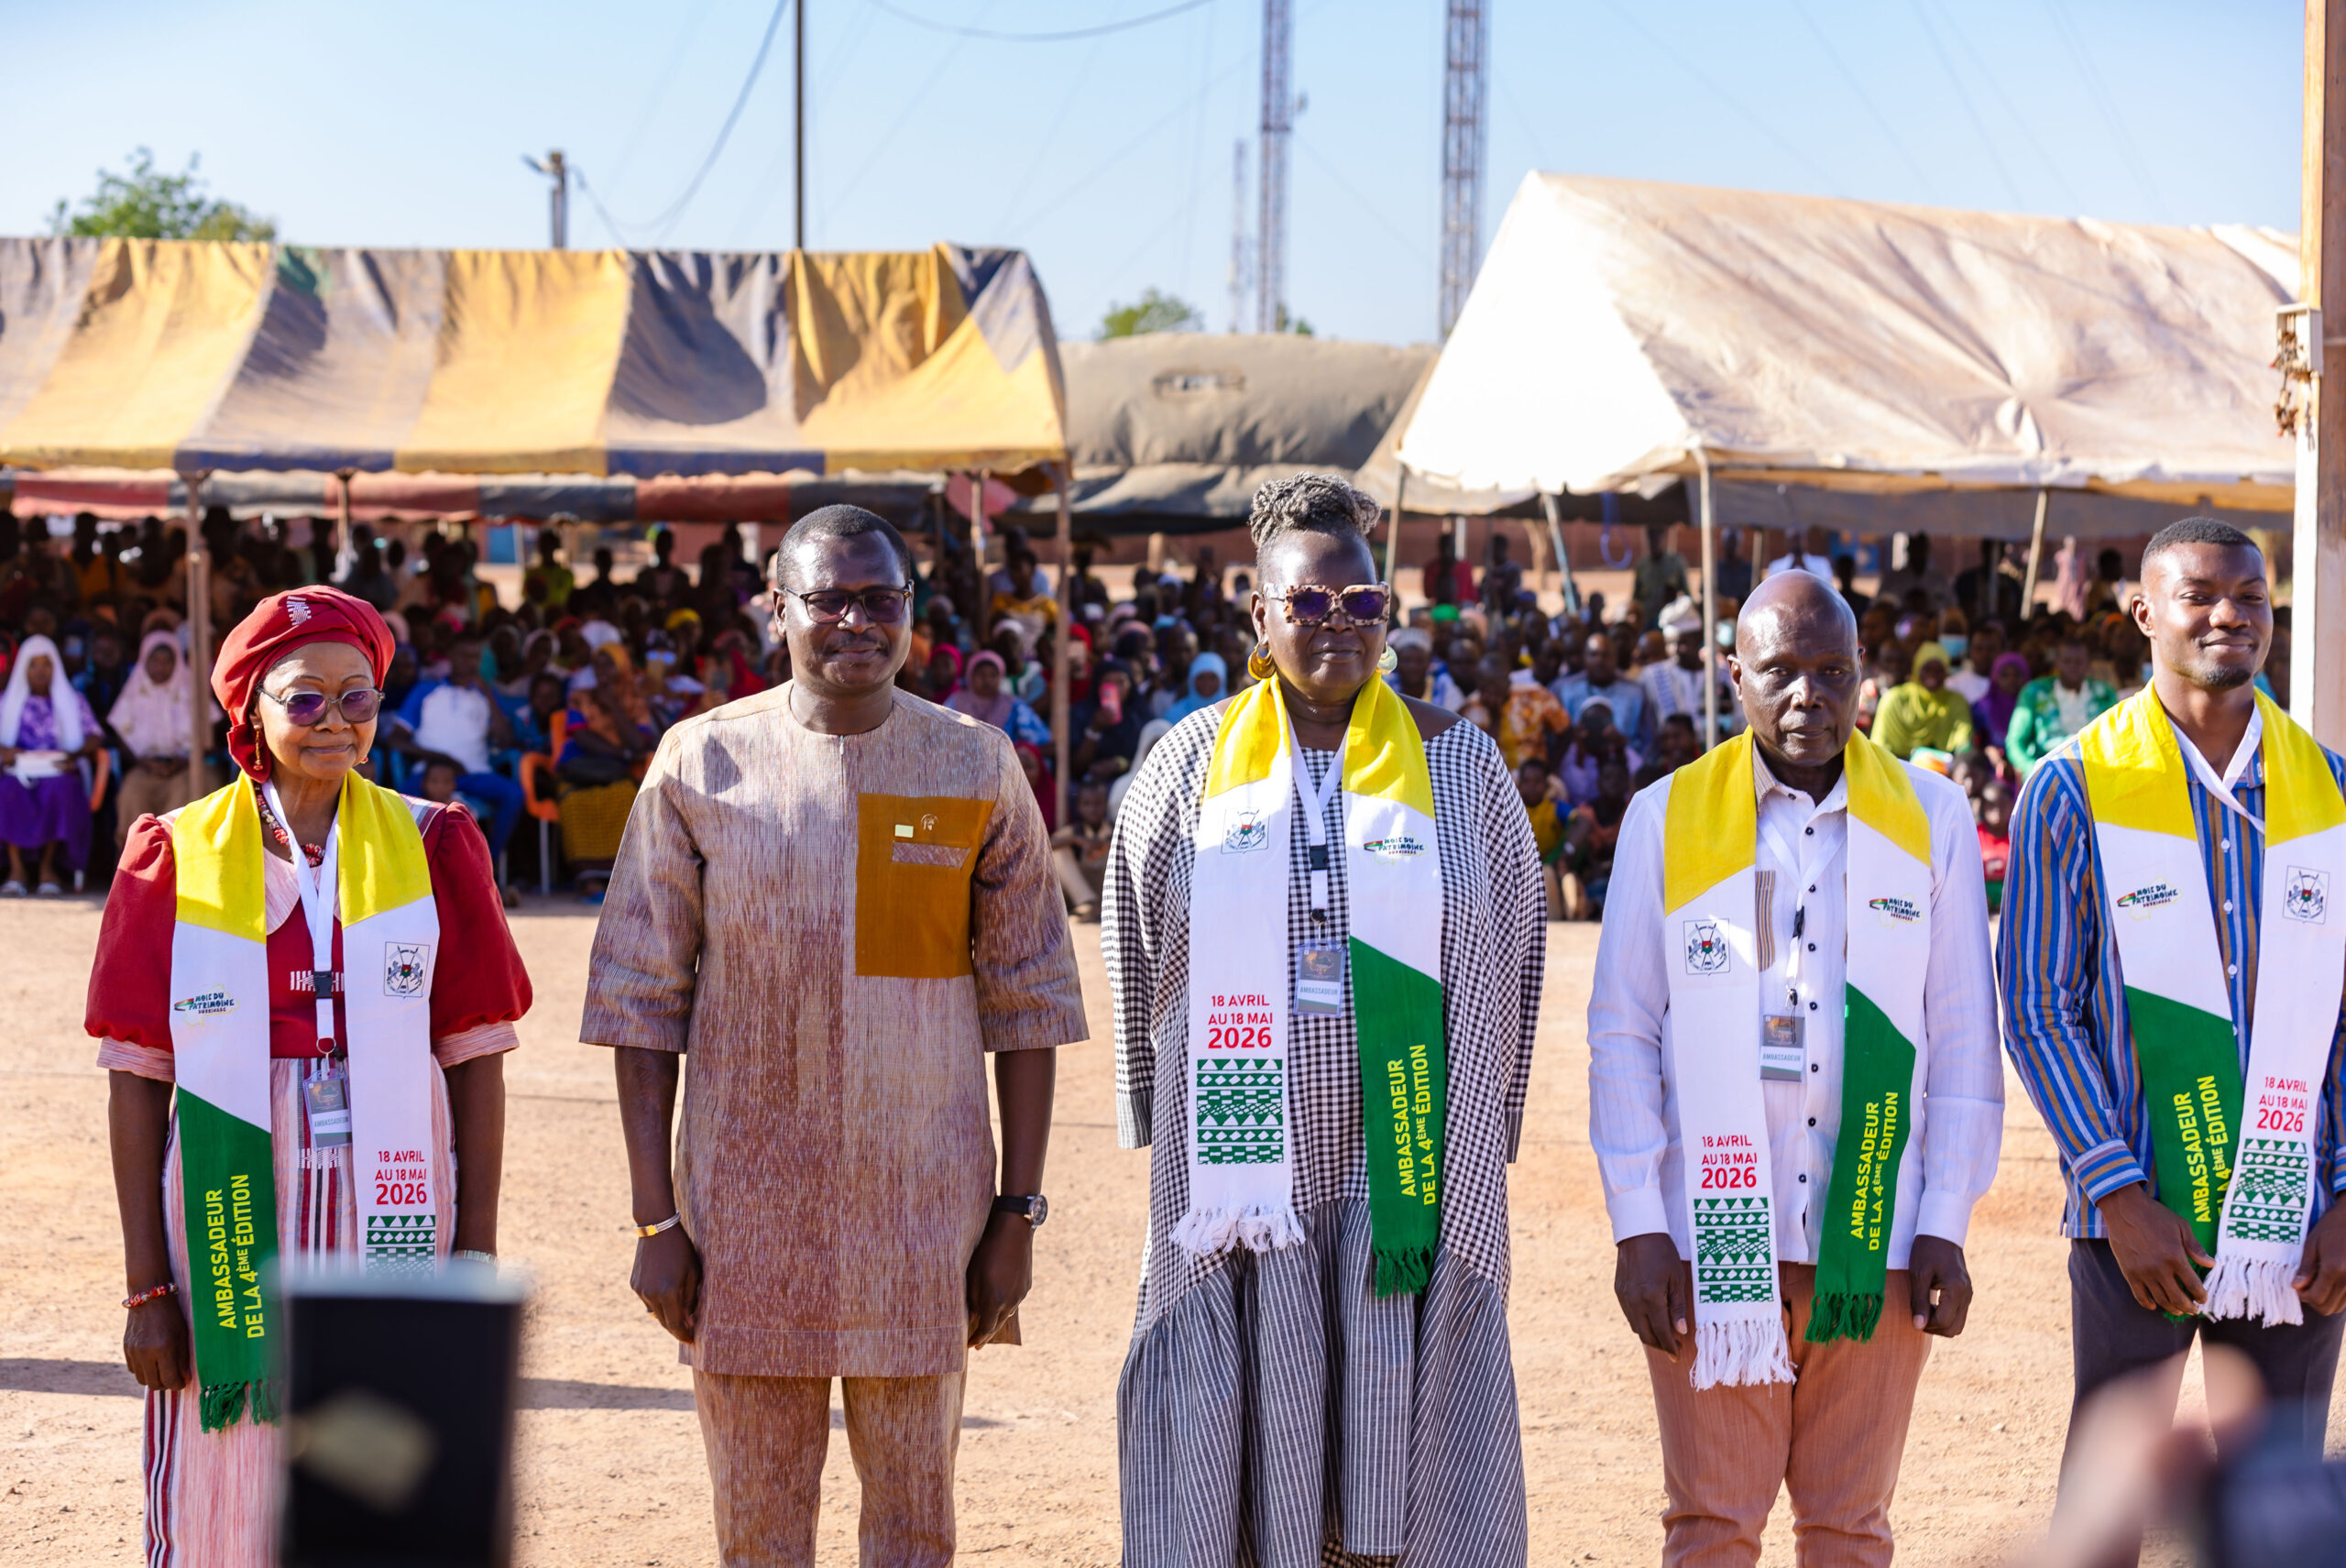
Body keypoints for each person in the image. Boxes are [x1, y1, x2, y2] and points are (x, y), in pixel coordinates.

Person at [582, 505, 1085, 1567]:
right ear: (777, 610)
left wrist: (1016, 1216)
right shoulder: (700, 764)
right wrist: (651, 1223)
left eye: (881, 598)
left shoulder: (972, 766)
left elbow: (1027, 1003)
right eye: (828, 597)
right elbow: (641, 1004)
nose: (855, 618)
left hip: (924, 1223)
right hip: (744, 1224)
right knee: (758, 1530)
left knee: (915, 1528)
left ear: (913, 614)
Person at [1105, 473, 1543, 1566]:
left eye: (1363, 604)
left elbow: (1514, 956)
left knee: (1405, 1431)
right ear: (1259, 614)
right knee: (1235, 1469)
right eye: (1309, 604)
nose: (1339, 626)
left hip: (1405, 1164)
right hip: (1241, 1189)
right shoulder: (1186, 762)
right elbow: (1135, 939)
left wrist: (1486, 1123)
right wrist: (1165, 1112)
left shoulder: (1459, 762)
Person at [91, 586, 529, 1568]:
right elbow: (135, 1075)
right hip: (232, 1200)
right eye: (304, 699)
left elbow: (473, 1055)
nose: (335, 721)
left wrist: (473, 1255)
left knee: (385, 1455)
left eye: (359, 698)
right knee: (229, 1468)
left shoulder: (432, 843)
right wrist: (144, 1288)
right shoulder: (175, 855)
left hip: (397, 1186)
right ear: (249, 707)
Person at [1587, 568, 2001, 1567]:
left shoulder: (1931, 819)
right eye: (1779, 671)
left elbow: (1960, 1039)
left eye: (1832, 671)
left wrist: (1943, 1220)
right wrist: (1641, 1225)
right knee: (1713, 1530)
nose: (1807, 695)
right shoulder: (1665, 816)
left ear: (1865, 679)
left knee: (1850, 1530)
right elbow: (1623, 1029)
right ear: (1733, 674)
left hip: (1878, 1240)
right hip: (1713, 1241)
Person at [2000, 520, 2346, 1563]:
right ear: (2142, 613)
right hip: (2137, 1227)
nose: (2229, 614)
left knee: (2280, 1518)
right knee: (2106, 1506)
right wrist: (2115, 1194)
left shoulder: (2326, 791)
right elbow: (2037, 1002)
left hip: (2302, 1222)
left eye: (2250, 595)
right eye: (2199, 595)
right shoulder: (2071, 787)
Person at [387, 632, 523, 894]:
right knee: (398, 804)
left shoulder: (485, 695)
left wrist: (488, 694)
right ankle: (410, 876)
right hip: (430, 773)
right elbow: (396, 739)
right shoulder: (427, 690)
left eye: (476, 657)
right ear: (451, 658)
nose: (471, 663)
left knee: (514, 795)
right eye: (465, 656)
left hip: (474, 773)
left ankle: (487, 864)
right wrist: (436, 758)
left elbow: (506, 740)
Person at [0, 632, 102, 894]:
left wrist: (75, 755)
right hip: (18, 772)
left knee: (60, 790)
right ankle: (16, 869)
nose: (40, 671)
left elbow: (94, 736)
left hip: (59, 771)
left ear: (55, 666)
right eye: (33, 664)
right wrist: (6, 751)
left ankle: (48, 869)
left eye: (46, 663)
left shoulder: (72, 699)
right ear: (24, 668)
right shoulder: (7, 701)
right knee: (8, 791)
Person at [106, 630, 202, 844]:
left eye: (167, 661)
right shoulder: (132, 693)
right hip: (144, 767)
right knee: (132, 793)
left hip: (183, 768)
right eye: (154, 661)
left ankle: (177, 861)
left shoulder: (191, 693)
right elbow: (122, 735)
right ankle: (136, 859)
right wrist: (144, 763)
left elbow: (207, 738)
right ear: (144, 661)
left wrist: (181, 762)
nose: (160, 667)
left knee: (188, 794)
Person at [2004, 634, 2119, 776]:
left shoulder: (2104, 693)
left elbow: (2117, 736)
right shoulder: (2034, 692)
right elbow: (2015, 742)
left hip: (2097, 770)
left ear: (2089, 664)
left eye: (2079, 662)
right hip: (2048, 771)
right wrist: (2031, 769)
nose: (2073, 667)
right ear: (2056, 663)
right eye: (2067, 661)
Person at [1639, 616, 1740, 748]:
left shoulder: (1723, 673)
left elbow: (1740, 720)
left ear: (1698, 638)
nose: (1676, 649)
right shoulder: (1652, 676)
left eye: (1682, 642)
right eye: (1670, 643)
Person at [1869, 641, 1975, 760]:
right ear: (1916, 669)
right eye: (1927, 669)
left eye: (1939, 670)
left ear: (1946, 673)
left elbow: (1964, 744)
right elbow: (1878, 749)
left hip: (1941, 773)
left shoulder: (1956, 702)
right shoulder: (1895, 700)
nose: (1932, 675)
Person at [1555, 630, 1650, 751]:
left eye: (1605, 655)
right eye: (1593, 655)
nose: (1599, 661)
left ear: (1615, 659)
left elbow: (1649, 742)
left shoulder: (1636, 692)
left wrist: (1623, 746)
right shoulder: (1565, 689)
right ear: (1584, 658)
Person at [944, 649, 1051, 748]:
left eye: (993, 675)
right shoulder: (956, 701)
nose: (987, 680)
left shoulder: (1013, 705)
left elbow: (1039, 738)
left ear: (1001, 678)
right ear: (971, 675)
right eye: (981, 674)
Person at [1050, 774, 1113, 920]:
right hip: (1079, 897)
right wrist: (1076, 840)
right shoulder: (1074, 832)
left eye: (1097, 804)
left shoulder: (1114, 830)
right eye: (1087, 804)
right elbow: (1046, 845)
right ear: (1079, 807)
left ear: (1105, 805)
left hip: (1107, 892)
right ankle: (1087, 903)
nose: (1093, 809)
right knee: (1059, 853)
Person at [1632, 523, 1691, 628]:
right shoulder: (1642, 565)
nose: (1653, 542)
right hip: (1647, 619)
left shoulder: (1675, 563)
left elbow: (1687, 595)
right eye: (1650, 537)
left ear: (1663, 538)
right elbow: (1636, 598)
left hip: (1670, 618)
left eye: (1656, 537)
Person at [1762, 525, 1836, 581]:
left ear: (1805, 541)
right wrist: (1790, 568)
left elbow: (1827, 586)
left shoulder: (1822, 563)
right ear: (1787, 542)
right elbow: (1772, 588)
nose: (1797, 543)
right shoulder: (1775, 565)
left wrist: (1805, 569)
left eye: (1799, 539)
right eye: (1793, 539)